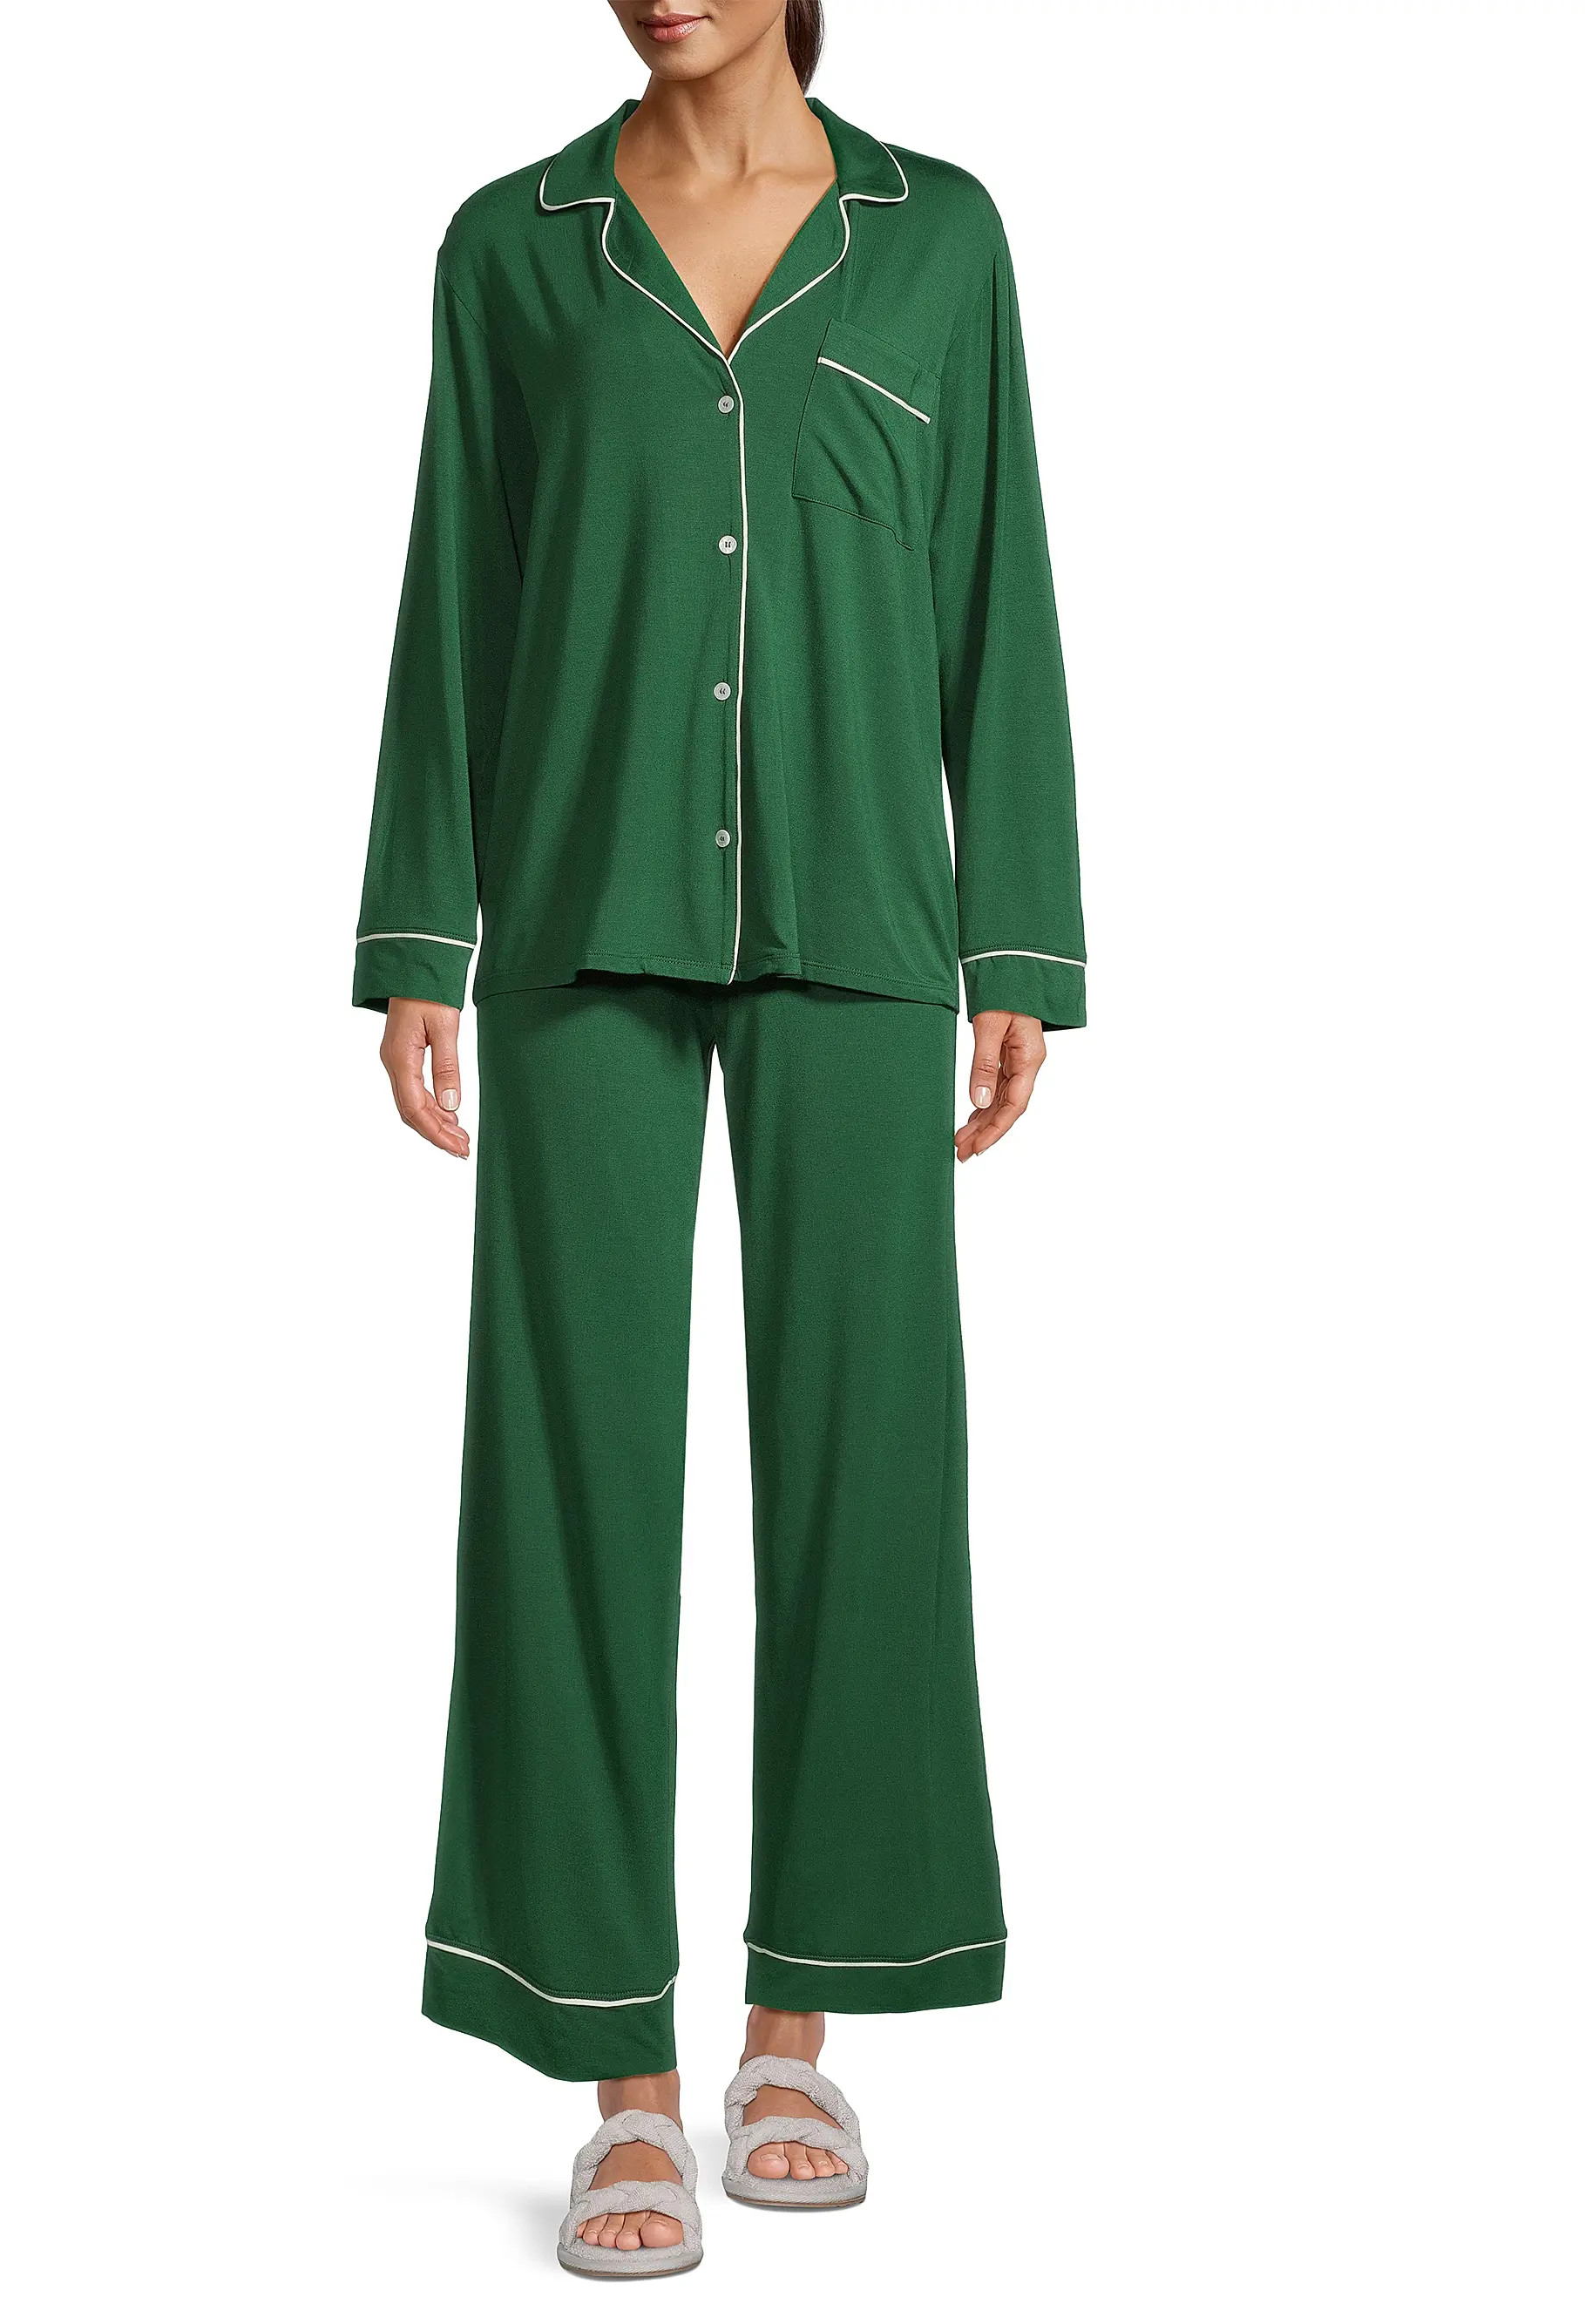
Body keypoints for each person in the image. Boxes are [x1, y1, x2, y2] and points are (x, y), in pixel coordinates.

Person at [354, 0, 1083, 2278]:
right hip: (576, 910)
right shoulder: (511, 250)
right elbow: (459, 593)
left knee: (869, 1463)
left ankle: (797, 2033)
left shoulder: (939, 241)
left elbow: (1000, 587)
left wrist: (1021, 938)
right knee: (566, 1474)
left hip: (866, 921)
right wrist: (419, 928)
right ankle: (619, 2078)